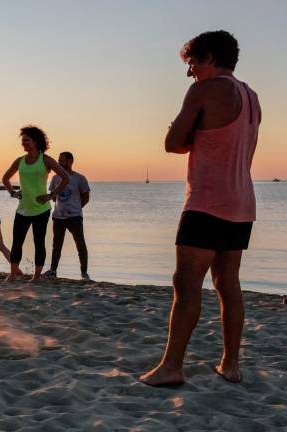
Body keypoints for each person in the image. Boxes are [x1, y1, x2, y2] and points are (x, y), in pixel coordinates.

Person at [140, 30, 260, 386]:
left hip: (207, 201)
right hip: (241, 201)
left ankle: (172, 366)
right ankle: (230, 364)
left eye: (192, 62)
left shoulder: (204, 90)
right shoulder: (251, 96)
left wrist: (186, 136)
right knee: (228, 283)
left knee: (186, 283)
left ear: (208, 59)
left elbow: (172, 143)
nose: (189, 71)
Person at [1, 126, 69, 280]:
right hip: (23, 209)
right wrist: (13, 192)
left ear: (36, 141)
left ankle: (36, 276)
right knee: (17, 242)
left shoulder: (45, 160)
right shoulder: (20, 161)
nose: (23, 143)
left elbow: (66, 177)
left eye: (26, 140)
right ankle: (12, 274)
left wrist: (51, 195)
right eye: (23, 141)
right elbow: (5, 179)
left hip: (41, 210)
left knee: (39, 242)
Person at [42, 152, 91, 281]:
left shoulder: (80, 178)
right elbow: (53, 196)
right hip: (58, 217)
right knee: (56, 245)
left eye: (62, 161)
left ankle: (84, 273)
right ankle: (53, 270)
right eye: (58, 161)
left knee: (80, 244)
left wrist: (76, 208)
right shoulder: (55, 178)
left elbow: (86, 198)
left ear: (70, 161)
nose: (59, 164)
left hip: (75, 217)